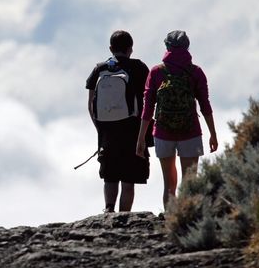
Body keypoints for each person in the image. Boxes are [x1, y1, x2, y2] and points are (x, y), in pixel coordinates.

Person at [136, 30, 218, 211]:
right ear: (187, 47)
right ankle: (188, 222)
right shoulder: (196, 72)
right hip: (191, 132)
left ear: (167, 47)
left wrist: (141, 138)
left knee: (169, 185)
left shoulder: (156, 72)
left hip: (163, 133)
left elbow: (148, 109)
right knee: (190, 183)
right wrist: (213, 133)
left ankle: (169, 223)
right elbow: (205, 105)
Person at [86, 30, 150, 213]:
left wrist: (100, 128)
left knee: (110, 176)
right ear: (131, 49)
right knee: (128, 180)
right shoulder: (139, 68)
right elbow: (149, 100)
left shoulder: (99, 69)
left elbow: (91, 105)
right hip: (133, 130)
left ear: (111, 48)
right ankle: (124, 217)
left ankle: (108, 210)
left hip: (107, 131)